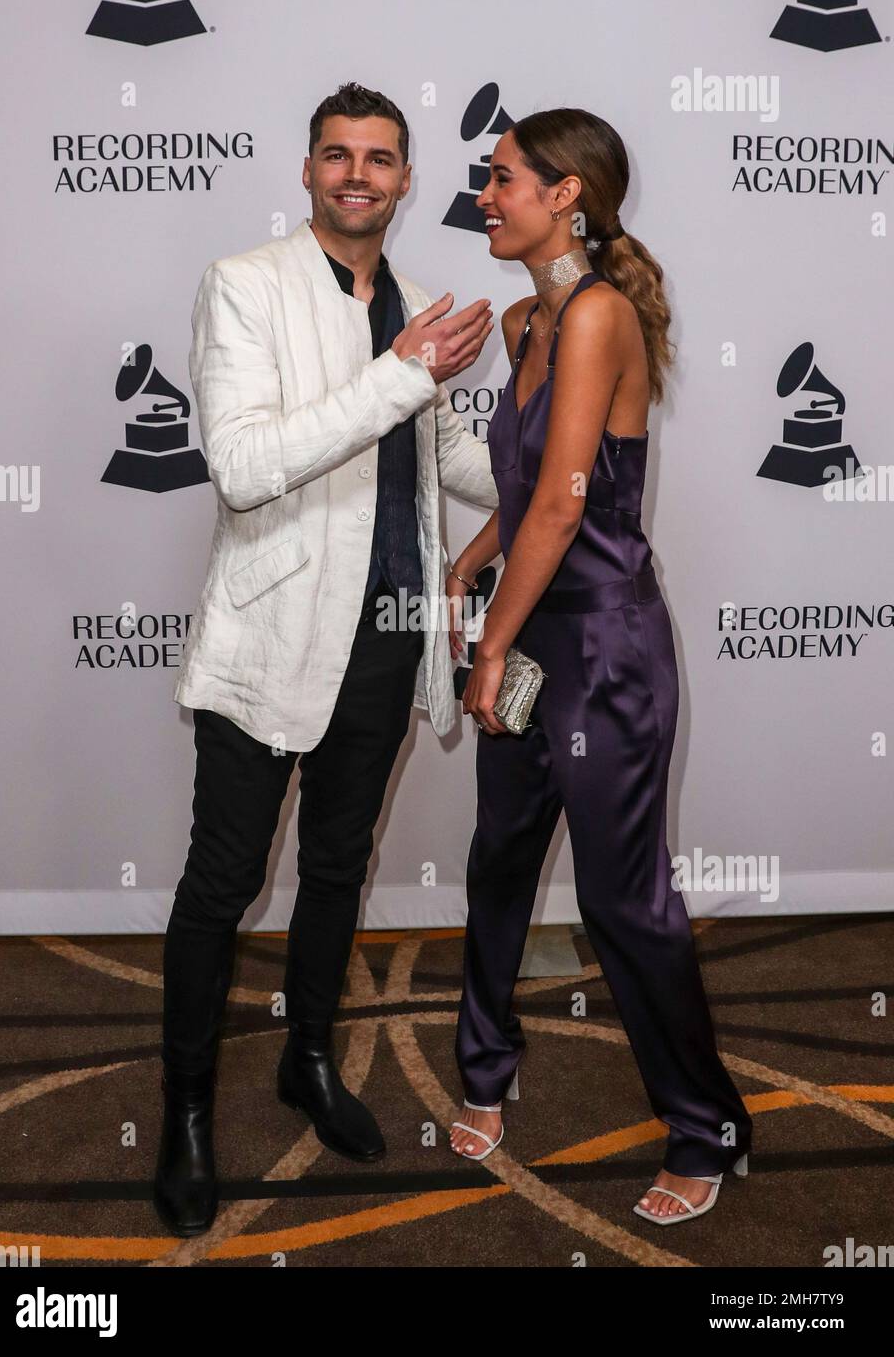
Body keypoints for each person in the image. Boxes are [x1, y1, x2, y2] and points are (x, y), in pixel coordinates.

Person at [155, 82, 498, 1238]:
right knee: (222, 883)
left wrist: (559, 432)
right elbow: (245, 465)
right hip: (273, 636)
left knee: (340, 867)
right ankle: (187, 1114)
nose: (359, 174)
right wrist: (403, 371)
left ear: (405, 181)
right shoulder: (245, 284)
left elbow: (445, 460)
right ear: (307, 171)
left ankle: (309, 1058)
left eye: (382, 158)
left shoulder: (406, 300)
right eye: (338, 155)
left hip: (388, 640)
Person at [446, 109, 753, 1225]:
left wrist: (488, 643)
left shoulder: (594, 315)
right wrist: (466, 563)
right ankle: (485, 1070)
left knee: (623, 903)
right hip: (534, 626)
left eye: (503, 179)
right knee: (497, 864)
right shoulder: (526, 318)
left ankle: (704, 1125)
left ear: (566, 194)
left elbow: (571, 508)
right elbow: (528, 493)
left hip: (604, 647)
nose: (485, 195)